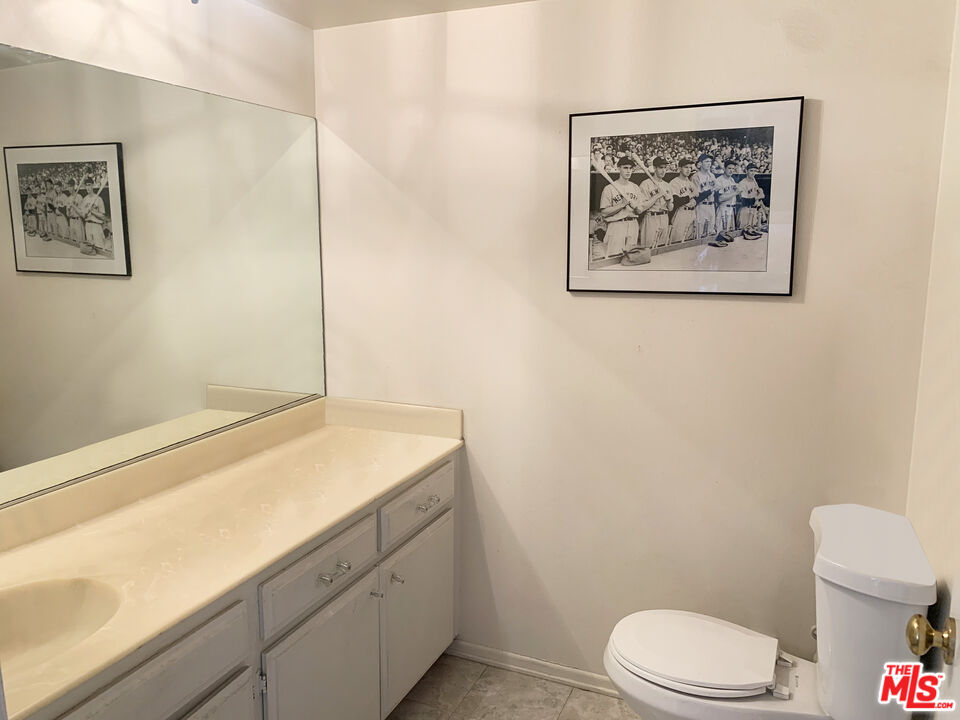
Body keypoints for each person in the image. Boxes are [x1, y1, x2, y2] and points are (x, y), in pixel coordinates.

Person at [598, 157, 643, 257]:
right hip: (617, 225)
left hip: (633, 224)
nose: (628, 171)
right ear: (619, 168)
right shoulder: (609, 188)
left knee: (631, 258)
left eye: (630, 168)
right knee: (614, 257)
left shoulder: (635, 187)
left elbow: (640, 211)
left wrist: (636, 208)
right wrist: (622, 205)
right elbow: (604, 212)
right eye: (625, 168)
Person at [637, 157, 674, 250]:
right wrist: (657, 196)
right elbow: (642, 207)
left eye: (665, 168)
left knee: (662, 249)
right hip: (651, 218)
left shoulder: (667, 185)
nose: (663, 170)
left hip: (665, 217)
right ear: (654, 168)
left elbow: (671, 208)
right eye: (661, 167)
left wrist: (669, 201)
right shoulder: (645, 184)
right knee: (648, 249)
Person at [668, 158, 697, 244]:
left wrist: (694, 200)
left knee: (690, 242)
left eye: (690, 167)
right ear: (680, 168)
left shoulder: (690, 182)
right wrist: (690, 197)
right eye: (686, 167)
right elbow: (676, 201)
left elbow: (696, 196)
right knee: (678, 242)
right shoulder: (674, 182)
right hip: (681, 214)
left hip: (692, 213)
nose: (688, 169)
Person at [692, 154, 718, 241]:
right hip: (701, 206)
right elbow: (697, 196)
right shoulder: (696, 176)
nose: (709, 164)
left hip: (711, 205)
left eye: (710, 162)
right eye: (706, 161)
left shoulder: (712, 175)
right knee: (700, 233)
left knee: (711, 232)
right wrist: (710, 190)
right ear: (700, 163)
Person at [79, 177, 108, 255]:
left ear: (92, 185)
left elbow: (103, 216)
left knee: (100, 249)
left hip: (96, 226)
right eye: (86, 185)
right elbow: (83, 215)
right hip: (87, 225)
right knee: (89, 250)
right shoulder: (84, 199)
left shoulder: (98, 199)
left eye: (89, 185)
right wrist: (85, 214)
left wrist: (93, 211)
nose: (88, 187)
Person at [737, 163, 766, 232]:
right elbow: (744, 201)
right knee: (744, 233)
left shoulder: (754, 182)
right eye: (751, 171)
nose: (753, 173)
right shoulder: (742, 183)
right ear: (747, 171)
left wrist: (763, 207)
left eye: (754, 171)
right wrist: (759, 196)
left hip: (754, 211)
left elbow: (759, 197)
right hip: (746, 210)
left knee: (753, 234)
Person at [714, 160, 739, 236]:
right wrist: (735, 193)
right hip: (723, 209)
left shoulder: (732, 179)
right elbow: (719, 199)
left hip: (731, 210)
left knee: (729, 236)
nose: (731, 170)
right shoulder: (719, 180)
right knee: (720, 235)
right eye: (729, 168)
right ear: (724, 168)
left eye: (733, 169)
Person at [65, 179, 84, 249]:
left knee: (80, 242)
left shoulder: (79, 197)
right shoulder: (68, 198)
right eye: (68, 187)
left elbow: (82, 212)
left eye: (70, 186)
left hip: (78, 220)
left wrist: (73, 206)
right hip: (71, 221)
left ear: (74, 187)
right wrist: (69, 211)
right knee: (73, 242)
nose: (69, 188)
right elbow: (67, 214)